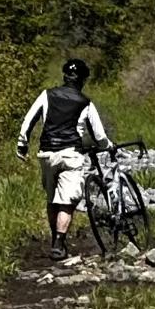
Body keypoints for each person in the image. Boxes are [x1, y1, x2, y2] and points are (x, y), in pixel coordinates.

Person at [16, 58, 112, 259]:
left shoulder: (47, 95)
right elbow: (100, 136)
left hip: (47, 154)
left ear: (64, 76)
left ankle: (55, 240)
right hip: (70, 154)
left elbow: (29, 119)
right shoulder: (85, 103)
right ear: (83, 80)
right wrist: (108, 147)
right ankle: (59, 243)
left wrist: (22, 144)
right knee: (67, 202)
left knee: (52, 199)